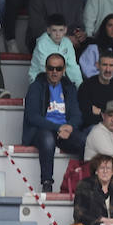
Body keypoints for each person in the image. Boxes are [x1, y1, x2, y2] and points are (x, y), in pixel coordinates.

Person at [23, 55, 86, 192]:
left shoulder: (69, 87)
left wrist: (69, 127)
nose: (54, 72)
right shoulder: (36, 87)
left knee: (85, 140)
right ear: (46, 69)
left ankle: (82, 183)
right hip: (42, 130)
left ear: (64, 69)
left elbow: (77, 115)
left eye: (58, 68)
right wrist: (58, 127)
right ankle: (47, 183)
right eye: (51, 68)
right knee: (47, 139)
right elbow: (32, 116)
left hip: (64, 131)